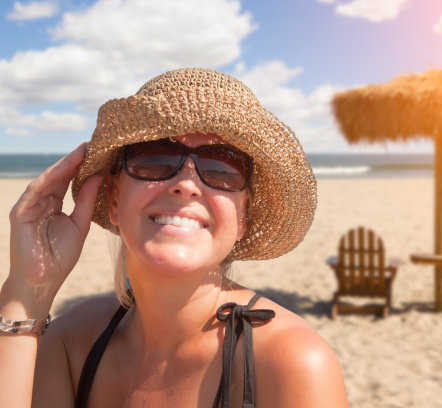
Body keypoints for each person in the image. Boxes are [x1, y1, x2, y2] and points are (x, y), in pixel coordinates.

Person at [0, 68, 349, 407]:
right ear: (116, 199)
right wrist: (27, 290)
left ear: (243, 217)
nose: (185, 184)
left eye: (221, 167)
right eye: (154, 158)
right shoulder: (71, 341)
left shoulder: (291, 362)